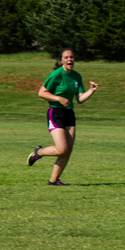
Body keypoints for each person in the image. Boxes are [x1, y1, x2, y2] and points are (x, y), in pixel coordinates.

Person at [26, 48, 98, 185]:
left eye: (71, 57)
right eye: (66, 57)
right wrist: (58, 99)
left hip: (69, 114)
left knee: (67, 150)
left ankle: (53, 180)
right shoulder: (56, 74)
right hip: (56, 113)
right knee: (61, 149)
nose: (69, 59)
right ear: (62, 60)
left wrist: (91, 91)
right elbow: (41, 93)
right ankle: (38, 153)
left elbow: (80, 99)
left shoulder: (77, 76)